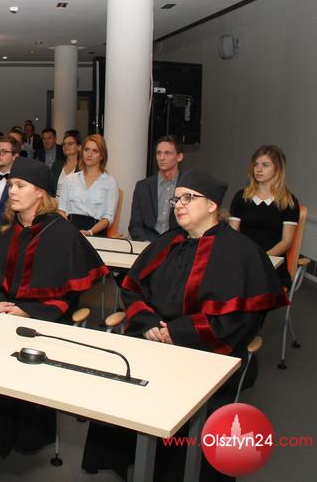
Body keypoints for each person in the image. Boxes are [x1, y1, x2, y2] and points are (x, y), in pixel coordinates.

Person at [82, 167, 289, 481]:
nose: (178, 205)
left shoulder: (241, 252)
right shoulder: (167, 242)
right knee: (121, 378)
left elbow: (242, 320)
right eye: (176, 199)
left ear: (212, 205)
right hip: (152, 340)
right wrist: (148, 323)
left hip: (206, 352)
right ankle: (127, 459)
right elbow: (132, 289)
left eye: (188, 198)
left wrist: (178, 333)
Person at [0, 157, 108, 457]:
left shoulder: (62, 232)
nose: (12, 191)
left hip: (40, 317)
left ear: (40, 192)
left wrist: (29, 311)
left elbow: (70, 292)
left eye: (20, 185)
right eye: (10, 185)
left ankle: (11, 434)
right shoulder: (3, 227)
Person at [229, 145, 300, 286]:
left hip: (271, 263)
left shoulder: (288, 201)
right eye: (256, 164)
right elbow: (232, 233)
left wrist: (262, 258)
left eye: (265, 165)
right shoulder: (241, 196)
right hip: (243, 260)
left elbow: (286, 242)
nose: (258, 169)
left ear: (278, 169)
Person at [58, 134, 118, 237]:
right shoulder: (70, 179)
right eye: (87, 150)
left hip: (96, 231)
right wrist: (69, 229)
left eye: (95, 151)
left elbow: (108, 217)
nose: (89, 154)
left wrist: (90, 232)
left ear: (102, 156)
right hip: (71, 228)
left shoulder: (110, 182)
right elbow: (61, 210)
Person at [128, 135, 184, 241]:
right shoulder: (143, 186)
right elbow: (135, 225)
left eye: (167, 153)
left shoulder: (187, 186)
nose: (162, 157)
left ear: (179, 157)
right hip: (148, 244)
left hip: (176, 244)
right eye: (159, 153)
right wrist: (146, 244)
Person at [49, 130, 81, 198]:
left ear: (79, 147)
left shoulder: (83, 167)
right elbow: (50, 187)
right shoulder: (57, 165)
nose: (66, 146)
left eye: (70, 143)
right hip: (55, 201)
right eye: (64, 144)